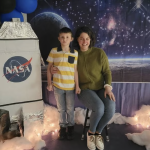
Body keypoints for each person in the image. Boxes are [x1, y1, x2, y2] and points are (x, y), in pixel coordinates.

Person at [73, 26, 116, 150]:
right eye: (81, 39)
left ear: (91, 40)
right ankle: (90, 133)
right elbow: (65, 66)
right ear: (77, 40)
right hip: (84, 89)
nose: (84, 41)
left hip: (101, 88)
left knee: (110, 108)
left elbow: (107, 72)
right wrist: (55, 69)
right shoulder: (74, 55)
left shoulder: (99, 53)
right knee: (99, 108)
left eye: (87, 38)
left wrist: (108, 87)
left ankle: (98, 132)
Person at [47, 27, 81, 140]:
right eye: (62, 37)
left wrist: (77, 86)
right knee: (61, 108)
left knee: (70, 108)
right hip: (58, 86)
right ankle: (62, 127)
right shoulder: (54, 51)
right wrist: (49, 83)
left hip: (70, 86)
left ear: (71, 39)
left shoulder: (75, 53)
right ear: (59, 38)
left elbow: (75, 71)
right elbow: (49, 69)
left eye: (67, 37)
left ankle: (70, 126)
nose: (64, 39)